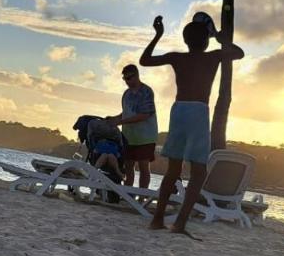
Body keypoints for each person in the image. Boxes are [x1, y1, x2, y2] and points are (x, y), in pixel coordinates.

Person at [141, 15, 244, 235]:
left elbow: (145, 60)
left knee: (173, 169)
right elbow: (239, 53)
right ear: (206, 40)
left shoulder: (177, 58)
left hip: (178, 110)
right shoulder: (213, 57)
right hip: (198, 111)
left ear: (186, 41)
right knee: (198, 172)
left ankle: (157, 219)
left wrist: (157, 35)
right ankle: (179, 224)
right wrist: (218, 36)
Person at [105, 64, 158, 189]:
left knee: (144, 166)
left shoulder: (146, 91)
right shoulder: (126, 94)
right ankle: (128, 193)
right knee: (128, 166)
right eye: (125, 79)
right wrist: (114, 119)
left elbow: (144, 115)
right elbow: (126, 113)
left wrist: (120, 122)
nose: (127, 81)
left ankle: (142, 195)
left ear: (137, 75)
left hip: (146, 137)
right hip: (129, 137)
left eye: (129, 78)